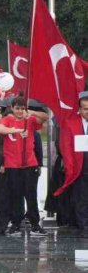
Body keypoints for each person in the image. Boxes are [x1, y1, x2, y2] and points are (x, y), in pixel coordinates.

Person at [0, 97, 49, 235]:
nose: (20, 111)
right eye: (17, 108)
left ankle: (35, 224)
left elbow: (45, 117)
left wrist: (30, 112)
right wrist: (17, 131)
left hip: (29, 164)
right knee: (16, 195)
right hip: (13, 165)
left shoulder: (29, 120)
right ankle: (16, 223)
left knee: (31, 195)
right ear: (12, 108)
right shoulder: (8, 119)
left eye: (22, 108)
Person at [63, 96, 88, 236]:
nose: (87, 112)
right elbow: (66, 146)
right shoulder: (72, 123)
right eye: (85, 109)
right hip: (80, 166)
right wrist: (69, 166)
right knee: (81, 197)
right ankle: (83, 225)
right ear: (79, 110)